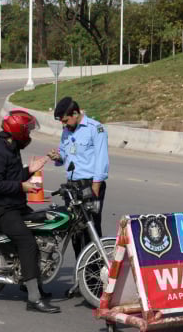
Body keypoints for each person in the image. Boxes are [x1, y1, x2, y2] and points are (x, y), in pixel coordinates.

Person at [0, 109, 60, 314]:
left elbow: (12, 177)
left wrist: (29, 171)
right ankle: (33, 299)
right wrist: (22, 186)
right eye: (28, 131)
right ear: (18, 131)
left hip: (15, 206)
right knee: (27, 242)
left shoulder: (11, 149)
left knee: (43, 227)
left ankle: (30, 279)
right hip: (0, 210)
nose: (29, 136)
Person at [47, 97, 109, 258]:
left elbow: (102, 160)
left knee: (91, 230)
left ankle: (93, 276)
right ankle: (81, 273)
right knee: (75, 231)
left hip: (90, 185)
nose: (64, 124)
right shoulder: (67, 131)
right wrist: (57, 157)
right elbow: (64, 154)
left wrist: (95, 188)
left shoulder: (95, 129)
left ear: (75, 113)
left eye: (66, 120)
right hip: (72, 187)